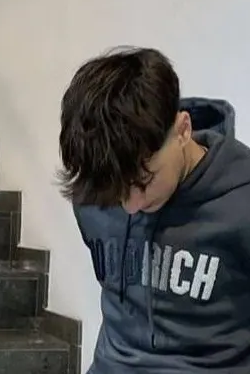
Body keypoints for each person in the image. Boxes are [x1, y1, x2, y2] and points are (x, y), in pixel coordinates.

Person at [58, 46, 250, 373]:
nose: (132, 206)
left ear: (183, 130)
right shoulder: (93, 195)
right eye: (116, 192)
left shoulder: (241, 201)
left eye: (144, 181)